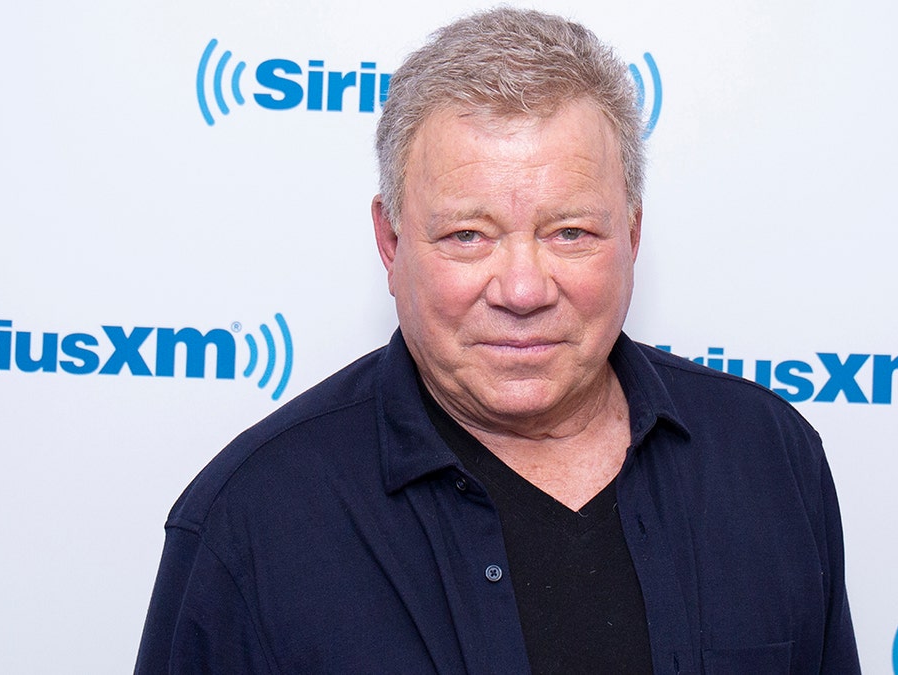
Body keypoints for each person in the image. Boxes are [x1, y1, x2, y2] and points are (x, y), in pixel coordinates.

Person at [135, 7, 860, 674]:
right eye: (468, 236)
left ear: (633, 235)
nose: (522, 289)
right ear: (390, 242)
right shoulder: (251, 520)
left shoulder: (771, 459)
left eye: (569, 232)